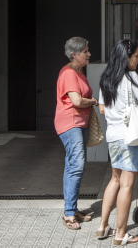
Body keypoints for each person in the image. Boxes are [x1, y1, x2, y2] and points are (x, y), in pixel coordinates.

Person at [96, 39, 138, 246]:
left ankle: (103, 227)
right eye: (136, 56)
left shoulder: (106, 77)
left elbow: (102, 108)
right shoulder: (131, 77)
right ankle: (120, 234)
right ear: (126, 57)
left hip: (113, 135)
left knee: (115, 180)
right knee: (127, 185)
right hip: (131, 135)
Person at [54, 37, 98, 230]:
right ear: (74, 54)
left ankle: (71, 208)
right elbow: (78, 101)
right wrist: (94, 101)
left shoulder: (79, 72)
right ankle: (69, 214)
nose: (89, 54)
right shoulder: (69, 73)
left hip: (79, 123)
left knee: (73, 165)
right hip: (70, 123)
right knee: (77, 165)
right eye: (85, 51)